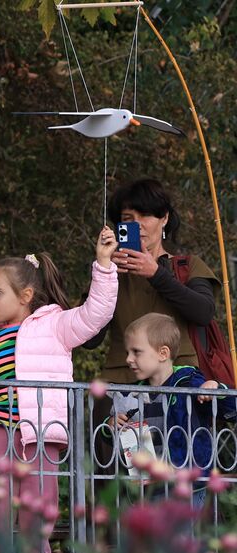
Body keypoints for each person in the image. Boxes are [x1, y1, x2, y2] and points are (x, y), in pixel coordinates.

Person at [0, 229, 118, 552]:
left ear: (24, 296)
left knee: (36, 514)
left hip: (38, 435)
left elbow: (96, 315)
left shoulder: (55, 326)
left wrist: (104, 265)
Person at [90, 179, 227, 462]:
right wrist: (104, 271)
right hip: (119, 392)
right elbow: (90, 338)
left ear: (164, 218)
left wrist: (156, 273)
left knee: (181, 472)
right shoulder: (110, 273)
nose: (138, 224)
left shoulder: (187, 267)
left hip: (177, 387)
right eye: (129, 219)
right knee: (118, 489)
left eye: (145, 216)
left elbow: (203, 311)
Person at [120, 313, 232, 503]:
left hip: (186, 486)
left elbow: (230, 408)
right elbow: (115, 436)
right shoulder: (132, 394)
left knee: (182, 533)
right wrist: (113, 424)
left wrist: (215, 388)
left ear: (163, 353)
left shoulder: (189, 382)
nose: (128, 359)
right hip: (149, 489)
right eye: (127, 352)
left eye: (136, 352)